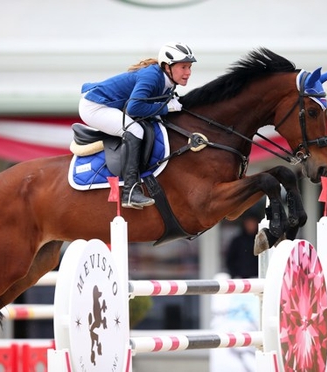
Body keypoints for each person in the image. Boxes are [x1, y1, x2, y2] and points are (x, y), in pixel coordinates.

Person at [79, 42, 196, 209]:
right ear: (167, 66)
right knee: (134, 130)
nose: (188, 72)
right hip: (95, 106)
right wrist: (166, 107)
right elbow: (134, 108)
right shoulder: (152, 76)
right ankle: (130, 192)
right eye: (184, 67)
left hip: (108, 105)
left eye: (190, 67)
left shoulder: (167, 82)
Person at [225, 213, 260, 279]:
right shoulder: (237, 241)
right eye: (249, 223)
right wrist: (235, 275)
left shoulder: (261, 241)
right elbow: (230, 260)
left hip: (257, 277)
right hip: (240, 278)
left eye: (253, 223)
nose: (251, 225)